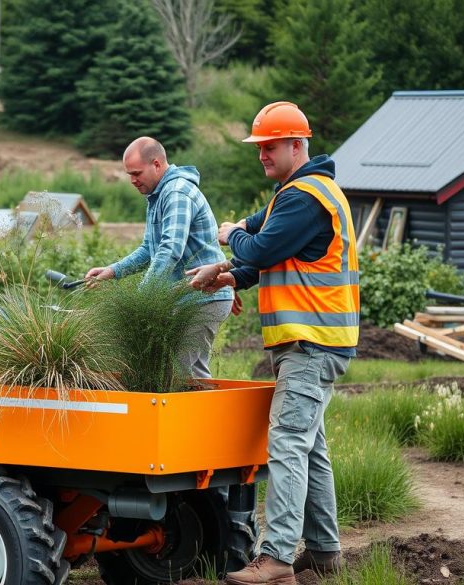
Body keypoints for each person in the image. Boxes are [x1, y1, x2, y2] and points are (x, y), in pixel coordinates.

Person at [187, 102, 359, 584]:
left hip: (311, 341)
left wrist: (231, 236)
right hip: (314, 340)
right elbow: (272, 256)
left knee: (285, 445)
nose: (262, 154)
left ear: (296, 144)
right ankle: (323, 551)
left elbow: (258, 245)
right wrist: (226, 276)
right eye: (259, 146)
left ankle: (277, 558)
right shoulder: (298, 193)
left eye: (270, 145)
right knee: (310, 447)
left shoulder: (305, 197)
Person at [85, 136, 232, 378]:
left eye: (136, 173)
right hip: (184, 298)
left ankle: (199, 416)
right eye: (129, 174)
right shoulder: (157, 196)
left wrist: (141, 297)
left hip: (203, 297)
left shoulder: (176, 193)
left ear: (156, 164)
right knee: (177, 373)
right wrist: (111, 271)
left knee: (183, 374)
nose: (132, 180)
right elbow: (148, 250)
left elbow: (170, 250)